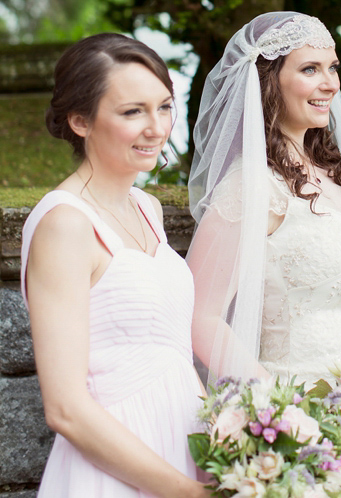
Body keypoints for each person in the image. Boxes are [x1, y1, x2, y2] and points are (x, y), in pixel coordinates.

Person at [20, 34, 207, 498]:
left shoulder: (147, 208)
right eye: (132, 112)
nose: (157, 127)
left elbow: (171, 356)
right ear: (81, 121)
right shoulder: (65, 224)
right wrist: (189, 493)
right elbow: (65, 408)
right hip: (117, 471)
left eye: (164, 106)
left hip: (186, 452)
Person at [187, 12, 341, 387]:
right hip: (298, 401)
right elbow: (202, 316)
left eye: (332, 68)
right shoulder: (251, 187)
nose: (330, 83)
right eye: (310, 70)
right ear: (268, 81)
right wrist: (278, 409)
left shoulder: (340, 173)